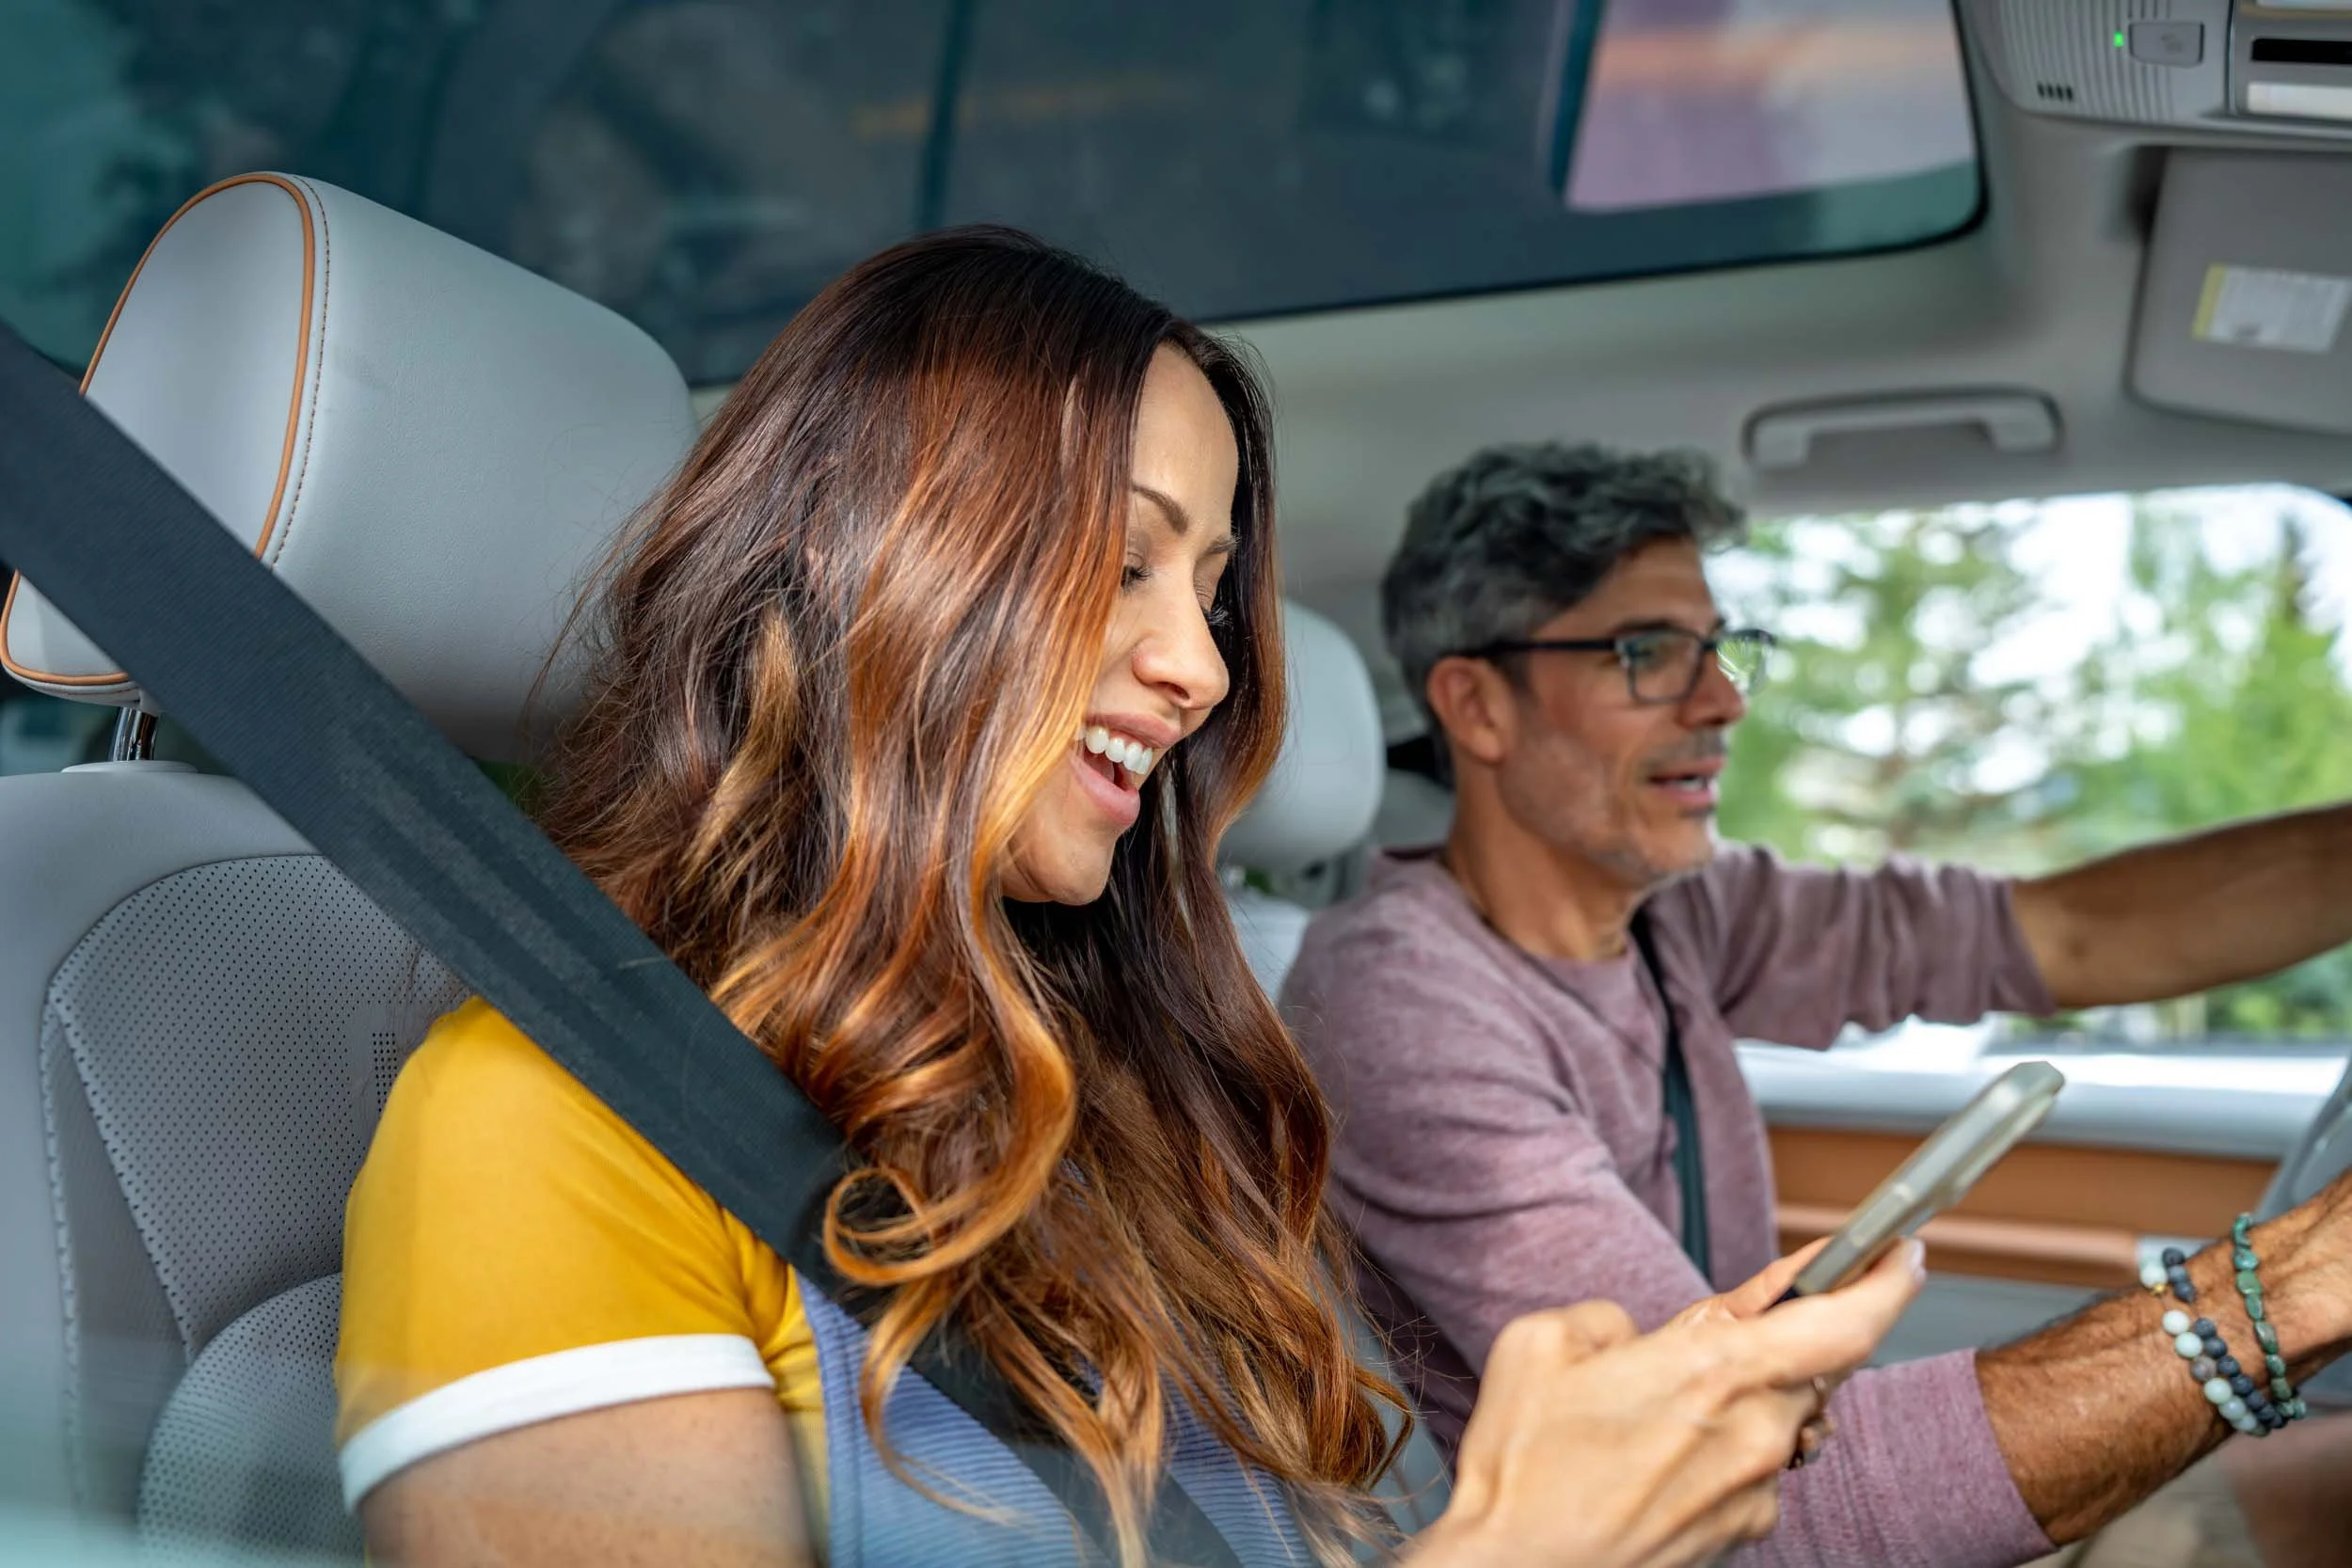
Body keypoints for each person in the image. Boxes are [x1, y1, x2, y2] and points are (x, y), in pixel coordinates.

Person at [330, 233, 1921, 1568]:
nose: (1207, 665)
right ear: (862, 559)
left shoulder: (1129, 1111)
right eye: (1123, 558)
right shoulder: (543, 1132)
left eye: (1211, 584)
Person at [1283, 440, 2352, 1567]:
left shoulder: (1679, 910)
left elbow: (2063, 932)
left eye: (1722, 650)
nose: (1721, 703)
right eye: (1647, 654)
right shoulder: (1395, 1004)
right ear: (1476, 706)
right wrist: (2299, 1279)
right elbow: (1719, 1467)